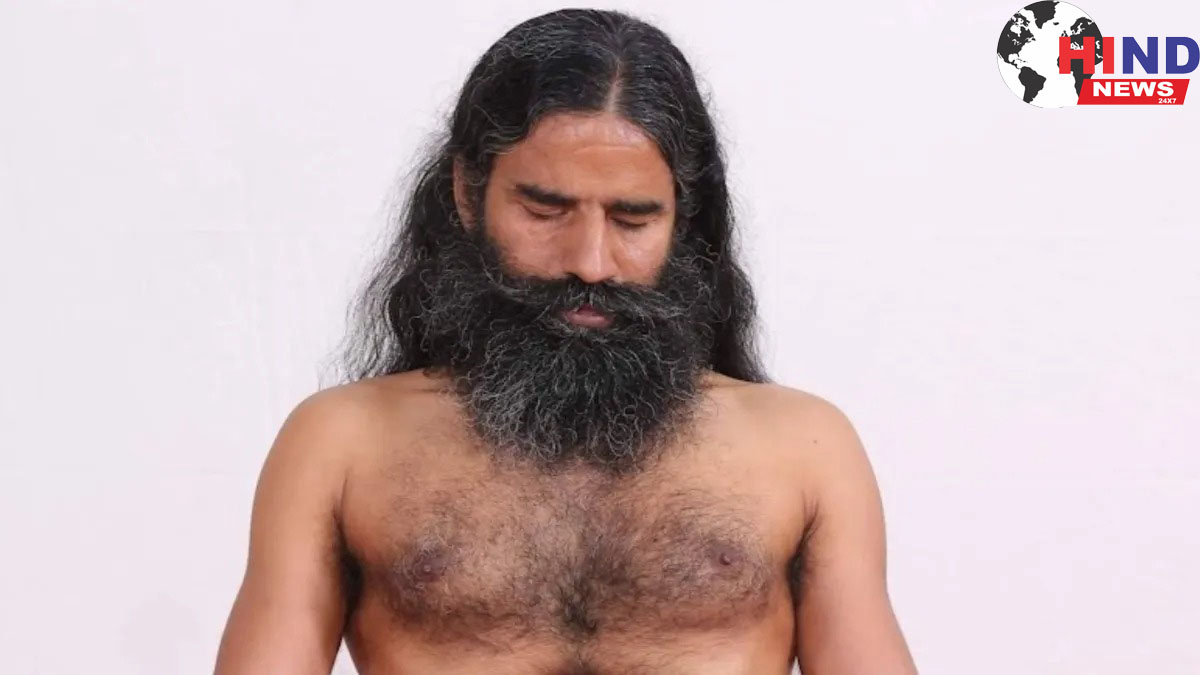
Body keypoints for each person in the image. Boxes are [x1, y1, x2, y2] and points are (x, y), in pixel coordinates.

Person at [214, 8, 918, 674]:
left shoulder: (803, 448)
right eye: (545, 209)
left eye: (633, 220)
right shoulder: (342, 443)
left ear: (681, 219)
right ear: (467, 192)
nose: (590, 261)